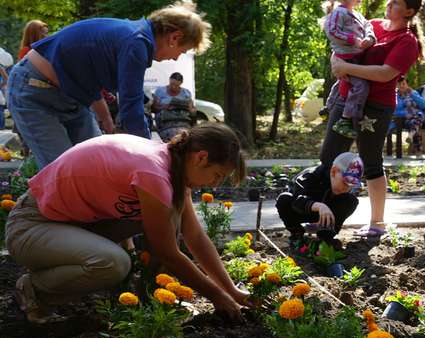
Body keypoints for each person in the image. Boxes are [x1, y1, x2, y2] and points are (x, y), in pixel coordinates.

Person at [6, 123, 248, 324]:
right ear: (201, 157)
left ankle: (147, 299)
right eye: (217, 175)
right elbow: (168, 253)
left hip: (73, 225)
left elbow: (194, 237)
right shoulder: (154, 172)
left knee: (170, 217)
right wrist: (216, 295)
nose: (215, 185)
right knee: (112, 263)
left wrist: (231, 291)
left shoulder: (172, 167)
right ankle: (33, 290)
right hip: (31, 226)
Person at [7, 1, 211, 170]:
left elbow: (85, 70)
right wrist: (153, 156)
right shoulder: (136, 42)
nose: (176, 58)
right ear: (174, 38)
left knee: (98, 165)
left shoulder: (134, 37)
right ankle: (32, 217)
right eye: (183, 51)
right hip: (34, 92)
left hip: (69, 97)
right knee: (62, 170)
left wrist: (105, 117)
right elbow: (132, 109)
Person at [325, 0, 424, 237]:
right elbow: (341, 46)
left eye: (397, 2)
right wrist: (336, 62)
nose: (389, 3)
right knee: (328, 157)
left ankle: (377, 223)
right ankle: (324, 216)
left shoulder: (407, 41)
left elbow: (385, 73)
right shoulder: (373, 25)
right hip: (345, 98)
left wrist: (347, 69)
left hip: (376, 107)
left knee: (371, 162)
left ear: (409, 11)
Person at [276, 152, 363, 247]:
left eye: (352, 184)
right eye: (345, 182)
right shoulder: (310, 176)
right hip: (301, 210)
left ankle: (326, 236)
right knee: (284, 198)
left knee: (351, 200)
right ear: (333, 172)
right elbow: (297, 201)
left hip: (326, 215)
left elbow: (343, 205)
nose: (347, 188)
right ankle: (296, 233)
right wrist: (319, 206)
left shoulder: (343, 188)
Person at [323, 0, 377, 139]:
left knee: (343, 82)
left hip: (357, 57)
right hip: (345, 57)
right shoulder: (338, 13)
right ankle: (345, 119)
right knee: (361, 86)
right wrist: (352, 39)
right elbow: (331, 31)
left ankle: (329, 105)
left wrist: (370, 38)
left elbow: (368, 25)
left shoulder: (358, 15)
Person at [152, 72, 196, 142]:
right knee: (176, 136)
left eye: (176, 85)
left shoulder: (186, 93)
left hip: (183, 122)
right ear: (169, 80)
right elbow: (154, 109)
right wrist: (164, 107)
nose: (173, 87)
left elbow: (193, 110)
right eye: (172, 84)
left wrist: (190, 109)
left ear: (181, 83)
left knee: (186, 136)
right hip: (166, 122)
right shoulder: (160, 91)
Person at [390, 75, 425, 158]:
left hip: (416, 117)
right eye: (400, 84)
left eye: (404, 83)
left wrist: (412, 94)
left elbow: (423, 105)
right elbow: (395, 110)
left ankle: (411, 134)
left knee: (415, 121)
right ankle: (418, 152)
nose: (402, 86)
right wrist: (406, 113)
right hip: (403, 120)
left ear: (407, 85)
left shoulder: (413, 93)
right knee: (415, 124)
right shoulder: (394, 95)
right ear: (396, 85)